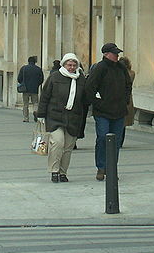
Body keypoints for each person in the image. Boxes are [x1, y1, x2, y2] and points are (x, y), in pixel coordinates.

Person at [84, 43, 133, 181]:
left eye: (117, 53)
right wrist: (98, 103)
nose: (117, 55)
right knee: (102, 138)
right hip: (102, 113)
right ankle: (101, 167)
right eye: (114, 53)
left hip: (119, 111)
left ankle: (112, 168)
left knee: (116, 141)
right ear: (106, 54)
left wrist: (125, 100)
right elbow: (89, 88)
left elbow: (128, 85)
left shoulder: (121, 68)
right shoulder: (99, 68)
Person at [35, 53, 87, 182]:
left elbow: (85, 98)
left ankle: (63, 172)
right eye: (69, 65)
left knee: (68, 147)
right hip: (55, 116)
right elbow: (45, 96)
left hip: (73, 117)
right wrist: (41, 114)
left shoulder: (81, 79)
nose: (71, 67)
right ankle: (54, 170)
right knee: (58, 142)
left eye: (74, 65)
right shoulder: (55, 77)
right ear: (64, 64)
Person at [17, 56, 45, 122]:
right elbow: (41, 79)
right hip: (34, 89)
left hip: (25, 89)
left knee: (25, 104)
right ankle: (35, 111)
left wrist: (23, 83)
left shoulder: (24, 68)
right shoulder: (38, 69)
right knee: (35, 103)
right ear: (35, 62)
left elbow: (19, 79)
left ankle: (26, 118)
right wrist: (37, 84)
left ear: (28, 61)